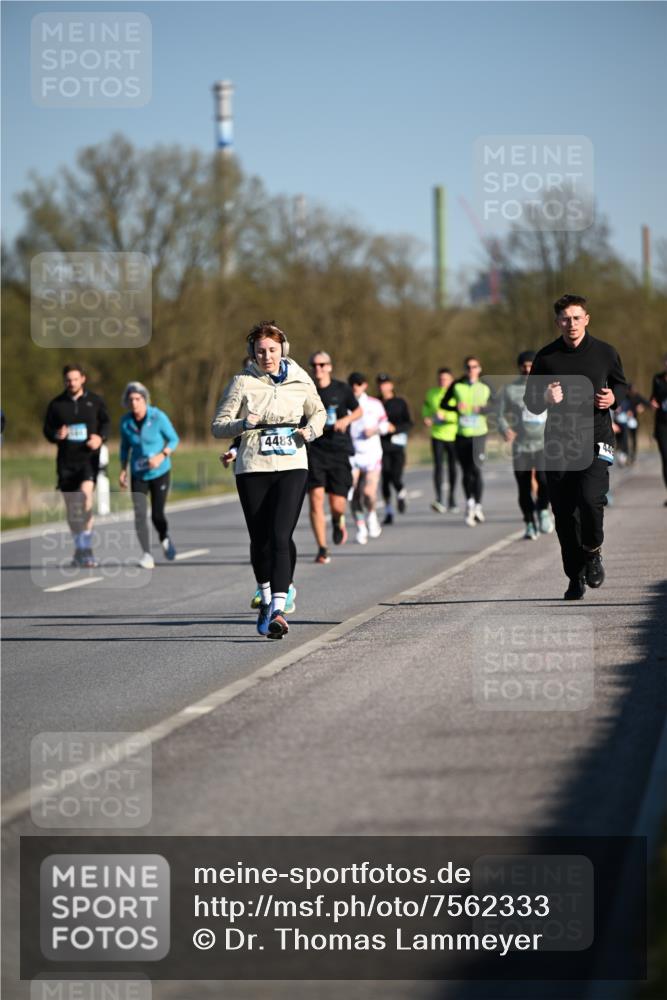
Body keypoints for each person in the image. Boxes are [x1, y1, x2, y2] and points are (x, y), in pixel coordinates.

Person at [212, 321, 325, 638]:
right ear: (252, 353)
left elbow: (319, 413)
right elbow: (218, 426)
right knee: (260, 539)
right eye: (260, 351)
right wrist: (241, 424)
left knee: (280, 534)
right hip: (252, 466)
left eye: (273, 350)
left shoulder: (301, 378)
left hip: (293, 463)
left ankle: (277, 608)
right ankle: (264, 594)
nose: (267, 356)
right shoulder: (242, 382)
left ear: (283, 350)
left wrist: (311, 430)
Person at [524, 293, 628, 599]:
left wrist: (614, 399)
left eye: (577, 318)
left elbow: (621, 384)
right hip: (558, 445)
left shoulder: (606, 353)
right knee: (565, 516)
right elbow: (531, 399)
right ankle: (575, 574)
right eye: (565, 319)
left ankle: (593, 551)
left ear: (587, 319)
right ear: (557, 322)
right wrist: (545, 398)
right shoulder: (546, 358)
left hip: (597, 439)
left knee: (590, 499)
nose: (571, 324)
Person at [43, 363, 110, 567]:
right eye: (67, 380)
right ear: (64, 381)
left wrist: (100, 437)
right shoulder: (56, 404)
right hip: (65, 462)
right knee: (72, 510)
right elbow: (47, 430)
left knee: (84, 498)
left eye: (74, 379)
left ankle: (87, 549)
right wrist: (56, 434)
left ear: (83, 379)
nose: (71, 383)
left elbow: (106, 424)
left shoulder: (95, 401)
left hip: (88, 460)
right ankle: (80, 549)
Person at [221, 438, 297, 615]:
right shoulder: (253, 411)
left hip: (288, 470)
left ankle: (287, 587)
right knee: (261, 535)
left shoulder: (294, 410)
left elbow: (309, 430)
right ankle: (264, 588)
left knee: (281, 535)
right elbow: (241, 438)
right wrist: (232, 452)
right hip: (255, 471)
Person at [306, 351, 362, 564]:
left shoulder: (342, 389)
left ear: (329, 366)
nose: (317, 368)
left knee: (337, 503)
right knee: (316, 499)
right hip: (315, 450)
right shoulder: (306, 389)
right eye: (314, 365)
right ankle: (322, 548)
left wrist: (345, 420)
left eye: (322, 364)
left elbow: (358, 411)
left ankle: (338, 520)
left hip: (338, 450)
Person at [119, 382, 180, 569]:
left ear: (145, 399)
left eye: (138, 399)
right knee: (139, 515)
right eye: (131, 400)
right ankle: (146, 553)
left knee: (156, 514)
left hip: (160, 471)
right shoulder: (126, 422)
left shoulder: (157, 416)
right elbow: (124, 447)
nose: (134, 403)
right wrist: (123, 469)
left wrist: (161, 455)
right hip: (138, 473)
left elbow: (174, 439)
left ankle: (164, 537)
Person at [497, 351, 554, 540]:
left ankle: (543, 510)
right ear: (519, 367)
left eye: (531, 365)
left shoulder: (548, 386)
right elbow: (499, 414)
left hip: (544, 444)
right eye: (524, 366)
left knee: (545, 482)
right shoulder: (509, 390)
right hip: (521, 445)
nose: (528, 369)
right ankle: (529, 523)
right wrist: (505, 429)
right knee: (523, 487)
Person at [441, 356, 493, 527]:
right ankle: (469, 502)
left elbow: (497, 404)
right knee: (465, 471)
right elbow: (444, 403)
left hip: (479, 433)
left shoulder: (485, 385)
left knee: (476, 470)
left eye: (474, 366)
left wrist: (483, 409)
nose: (471, 369)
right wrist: (456, 408)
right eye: (468, 367)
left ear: (479, 368)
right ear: (465, 369)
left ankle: (478, 505)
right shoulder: (457, 385)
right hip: (462, 434)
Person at [347, 373, 389, 544]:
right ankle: (360, 525)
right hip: (352, 455)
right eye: (352, 384)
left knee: (368, 493)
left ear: (364, 385)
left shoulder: (374, 404)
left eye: (358, 383)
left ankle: (371, 514)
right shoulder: (346, 404)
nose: (355, 386)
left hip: (372, 454)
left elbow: (385, 425)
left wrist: (375, 430)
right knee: (353, 493)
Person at [376, 373, 413, 524]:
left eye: (385, 383)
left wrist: (395, 428)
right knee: (385, 478)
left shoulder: (400, 402)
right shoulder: (376, 403)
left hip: (397, 445)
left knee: (395, 476)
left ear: (391, 385)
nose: (382, 387)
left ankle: (401, 492)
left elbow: (409, 423)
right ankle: (389, 511)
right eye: (380, 384)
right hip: (381, 446)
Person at [422, 368, 459, 513]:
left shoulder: (456, 394)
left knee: (452, 467)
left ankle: (452, 499)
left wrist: (446, 417)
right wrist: (426, 418)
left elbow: (462, 413)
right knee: (438, 467)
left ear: (451, 380)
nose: (442, 381)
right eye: (440, 379)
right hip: (437, 435)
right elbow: (426, 408)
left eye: (445, 379)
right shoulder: (431, 393)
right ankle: (439, 499)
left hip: (453, 435)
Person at [650, 354, 667, 503]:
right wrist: (653, 402)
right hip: (662, 424)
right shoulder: (657, 379)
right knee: (665, 459)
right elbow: (653, 397)